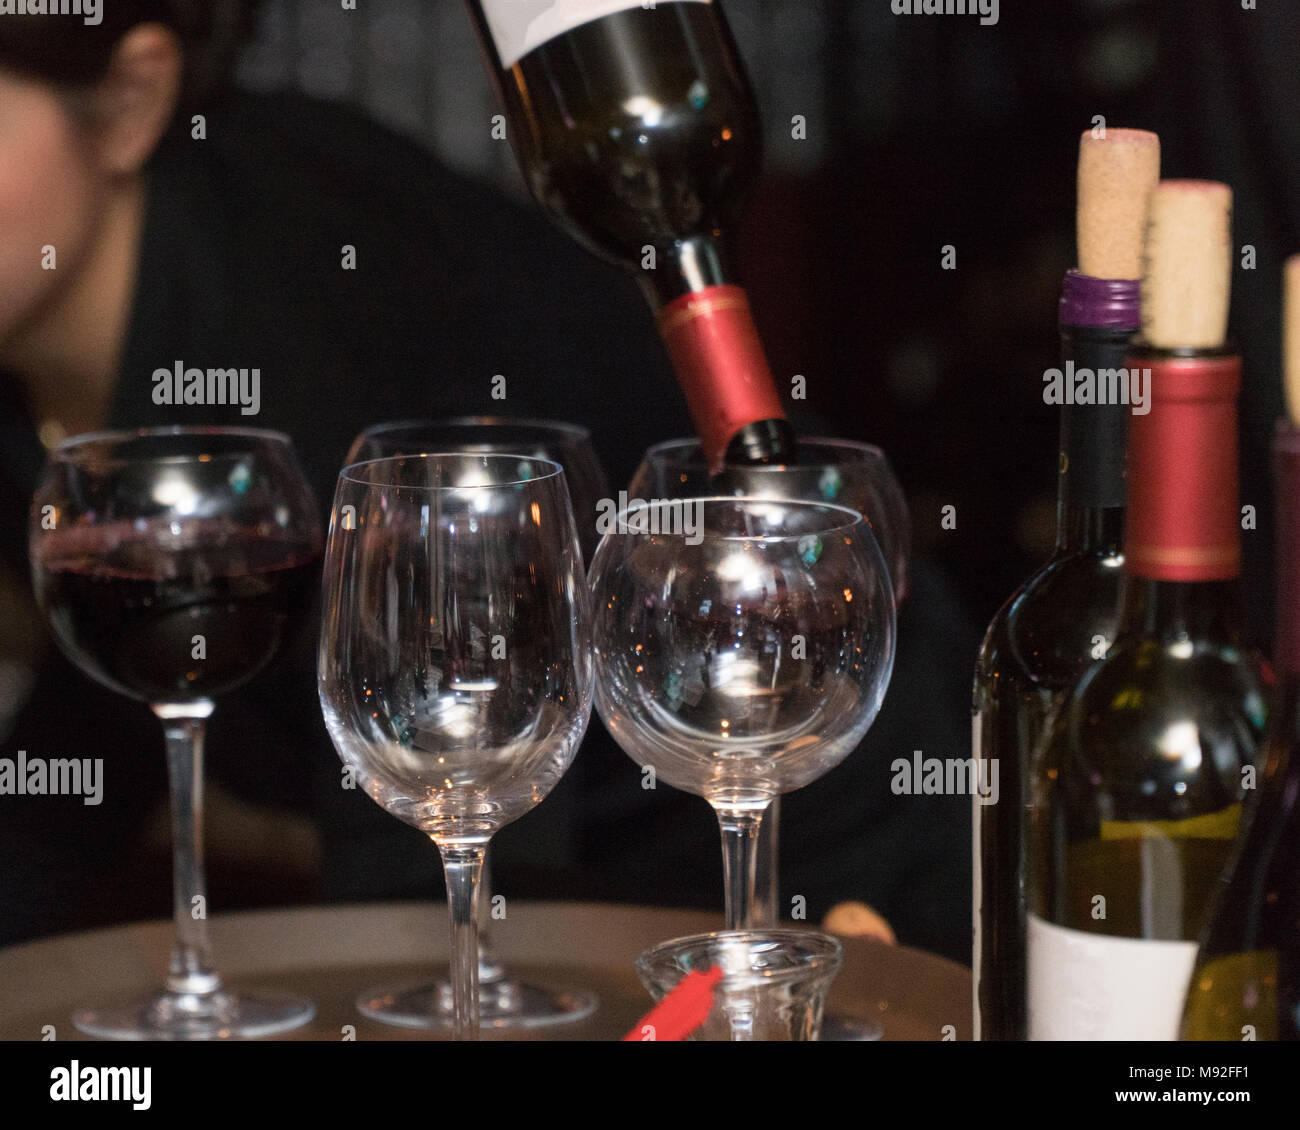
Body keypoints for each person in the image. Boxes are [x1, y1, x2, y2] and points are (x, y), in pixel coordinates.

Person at [0, 1, 977, 962]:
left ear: (131, 98)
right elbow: (106, 705)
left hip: (818, 834)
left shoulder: (331, 297)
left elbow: (452, 827)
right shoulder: (51, 349)